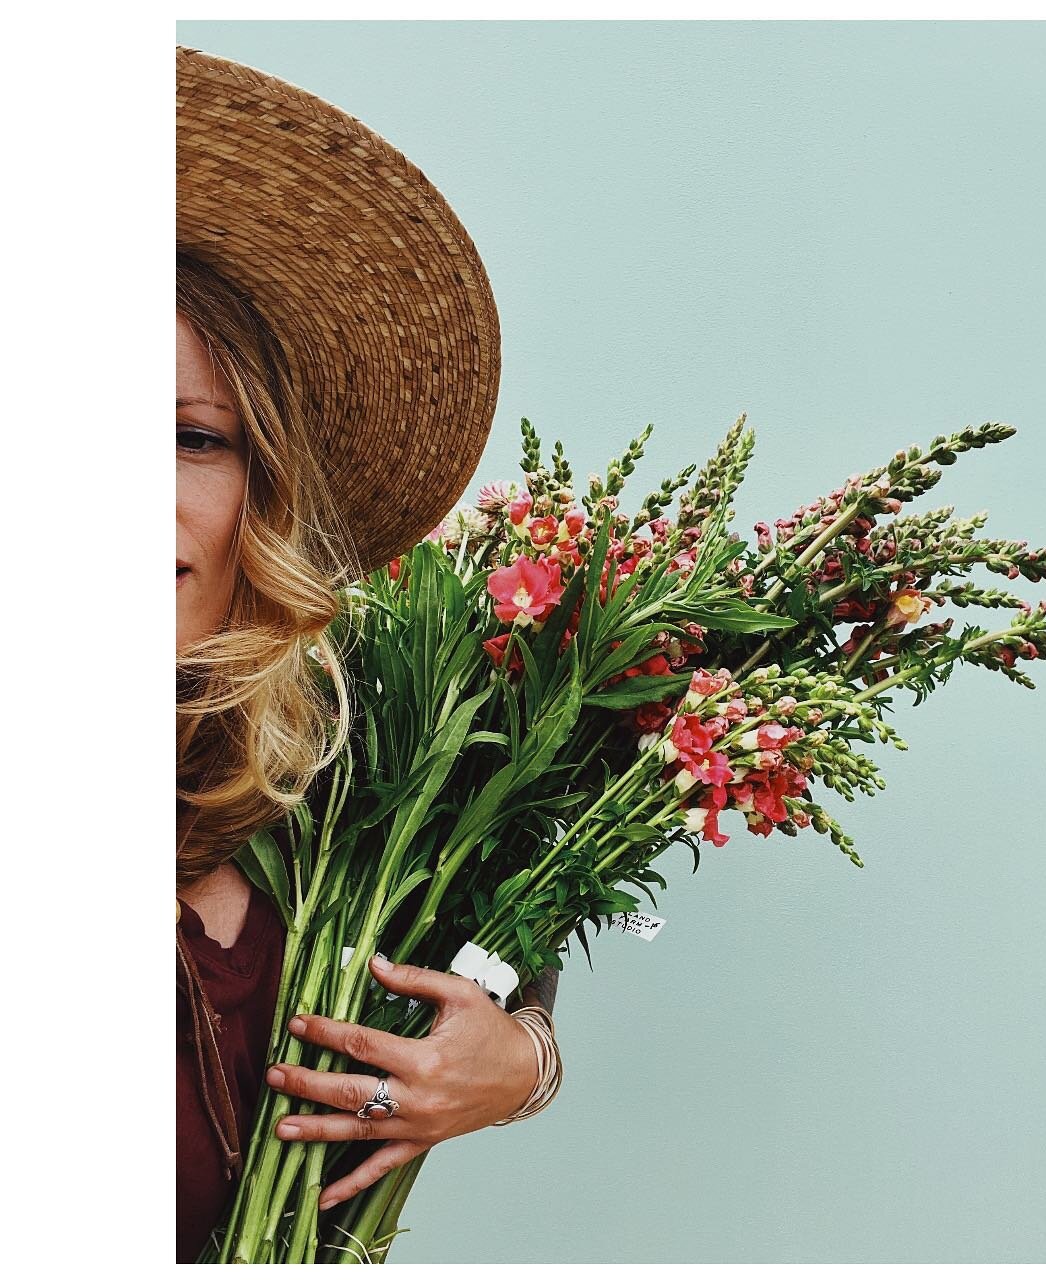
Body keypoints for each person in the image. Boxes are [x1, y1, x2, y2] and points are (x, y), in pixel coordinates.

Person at [176, 47, 561, 1264]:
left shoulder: (325, 767)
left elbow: (509, 907)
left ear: (265, 496)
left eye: (191, 439)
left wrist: (517, 1064)